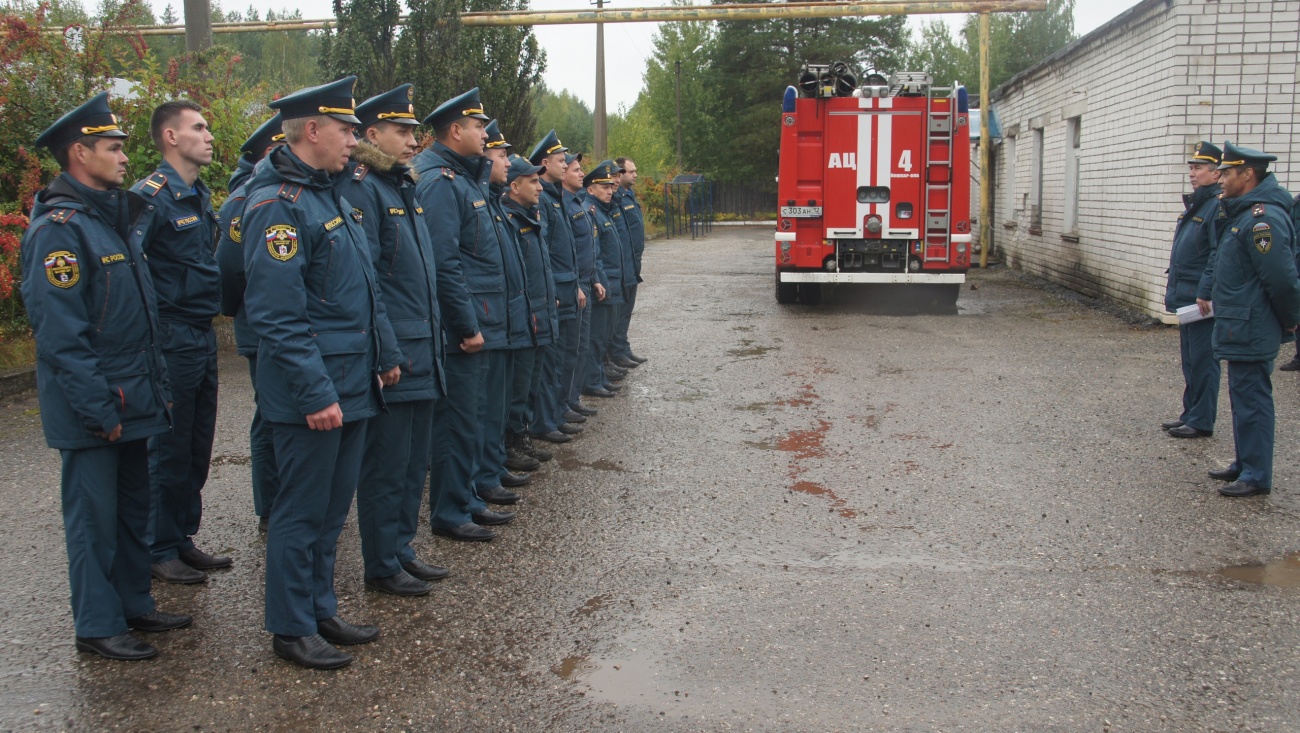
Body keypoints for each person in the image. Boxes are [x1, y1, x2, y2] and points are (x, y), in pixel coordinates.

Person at [22, 92, 189, 660]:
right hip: (97, 407)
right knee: (93, 520)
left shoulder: (113, 218)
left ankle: (133, 603)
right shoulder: (59, 231)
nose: (124, 158)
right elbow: (61, 334)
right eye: (113, 148)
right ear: (79, 153)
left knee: (131, 510)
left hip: (133, 396)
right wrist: (98, 409)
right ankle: (97, 624)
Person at [239, 76, 393, 669]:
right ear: (312, 130)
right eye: (346, 128)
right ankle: (291, 626)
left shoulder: (331, 194)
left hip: (351, 384)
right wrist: (314, 391)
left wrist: (379, 363)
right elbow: (277, 316)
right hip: (314, 393)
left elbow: (360, 293)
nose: (355, 139)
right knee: (299, 513)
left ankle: (320, 608)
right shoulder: (277, 204)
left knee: (331, 513)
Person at [340, 84, 449, 596]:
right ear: (371, 134)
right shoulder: (363, 186)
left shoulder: (400, 185)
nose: (412, 141)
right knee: (386, 465)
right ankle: (381, 562)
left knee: (412, 461)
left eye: (413, 132)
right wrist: (386, 349)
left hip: (423, 343)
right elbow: (370, 283)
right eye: (401, 132)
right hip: (398, 350)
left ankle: (401, 548)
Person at [412, 89, 518, 543]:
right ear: (455, 131)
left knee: (472, 415)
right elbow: (444, 262)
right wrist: (466, 326)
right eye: (478, 126)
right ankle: (451, 510)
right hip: (464, 325)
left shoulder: (464, 179)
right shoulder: (439, 182)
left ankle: (469, 496)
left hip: (482, 317)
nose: (485, 134)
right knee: (456, 422)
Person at [130, 101, 226, 585]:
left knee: (196, 441)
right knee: (166, 444)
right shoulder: (151, 197)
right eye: (199, 128)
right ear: (171, 137)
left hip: (199, 331)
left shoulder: (197, 193)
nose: (209, 136)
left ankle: (181, 535)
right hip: (170, 333)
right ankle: (157, 544)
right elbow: (133, 270)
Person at [1205, 141, 1300, 498]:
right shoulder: (1243, 214)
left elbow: (1282, 279)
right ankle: (1245, 463)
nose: (1220, 178)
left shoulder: (1263, 219)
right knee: (1243, 396)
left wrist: (1290, 321)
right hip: (1239, 323)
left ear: (1247, 175)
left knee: (1254, 400)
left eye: (1227, 173)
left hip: (1252, 323)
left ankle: (1257, 473)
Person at [215, 113, 284, 533]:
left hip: (271, 321)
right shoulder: (246, 197)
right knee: (271, 415)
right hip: (261, 324)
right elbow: (229, 268)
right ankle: (270, 506)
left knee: (279, 413)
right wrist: (241, 312)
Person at [502, 153, 565, 454]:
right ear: (514, 186)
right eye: (532, 181)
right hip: (524, 316)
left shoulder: (531, 215)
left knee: (531, 383)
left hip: (540, 312)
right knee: (518, 386)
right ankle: (512, 442)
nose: (539, 187)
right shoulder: (510, 219)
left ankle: (523, 436)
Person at [527, 132, 587, 441]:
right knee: (551, 361)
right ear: (544, 163)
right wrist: (553, 292)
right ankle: (545, 422)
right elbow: (545, 252)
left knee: (563, 356)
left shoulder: (557, 197)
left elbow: (568, 250)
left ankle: (557, 412)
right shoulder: (545, 200)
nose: (566, 165)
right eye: (561, 161)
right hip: (556, 294)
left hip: (566, 288)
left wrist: (575, 284)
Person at [1161, 141, 1222, 439]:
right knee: (1190, 360)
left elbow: (1215, 254)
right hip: (1187, 297)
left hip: (1201, 300)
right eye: (1191, 168)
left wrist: (1206, 290)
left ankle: (1201, 419)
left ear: (1216, 173)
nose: (1192, 173)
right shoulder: (1198, 204)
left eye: (1198, 168)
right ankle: (1190, 413)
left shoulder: (1216, 207)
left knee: (1204, 361)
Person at [581, 160, 628, 399]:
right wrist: (602, 282)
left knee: (604, 336)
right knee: (596, 337)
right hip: (603, 285)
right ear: (590, 189)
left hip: (611, 283)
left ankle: (598, 376)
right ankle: (592, 380)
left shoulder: (602, 211)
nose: (610, 191)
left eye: (611, 187)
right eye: (604, 187)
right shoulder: (591, 212)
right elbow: (595, 255)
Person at [563, 154, 603, 414]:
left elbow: (589, 248)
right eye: (576, 170)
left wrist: (595, 279)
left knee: (581, 346)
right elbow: (565, 252)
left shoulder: (576, 203)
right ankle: (563, 404)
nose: (581, 173)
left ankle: (572, 400)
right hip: (574, 285)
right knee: (569, 350)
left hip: (586, 282)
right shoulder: (561, 205)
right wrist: (576, 283)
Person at [610, 156, 648, 367]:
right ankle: (616, 352)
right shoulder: (615, 198)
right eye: (631, 172)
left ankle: (623, 348)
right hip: (623, 263)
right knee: (620, 310)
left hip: (633, 262)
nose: (635, 175)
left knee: (627, 310)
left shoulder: (629, 195)